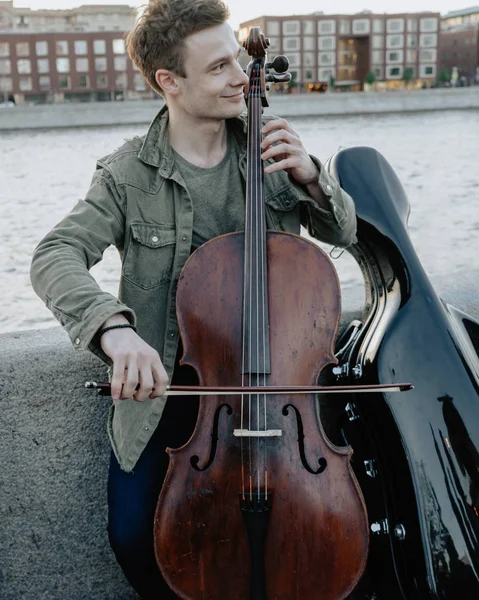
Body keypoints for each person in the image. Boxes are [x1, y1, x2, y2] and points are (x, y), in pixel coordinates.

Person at [30, 0, 357, 597]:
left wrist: (313, 176)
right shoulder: (127, 173)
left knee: (317, 527)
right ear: (169, 82)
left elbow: (343, 235)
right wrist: (114, 330)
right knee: (134, 537)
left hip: (280, 390)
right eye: (218, 68)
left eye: (238, 60)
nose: (240, 77)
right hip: (171, 392)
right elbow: (55, 254)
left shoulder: (272, 150)